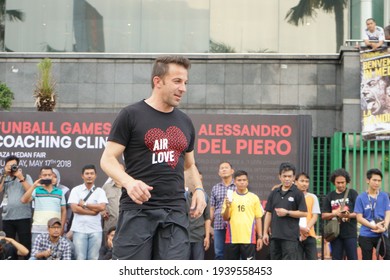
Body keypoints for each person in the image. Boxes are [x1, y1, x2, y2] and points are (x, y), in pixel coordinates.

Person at [100, 55, 206, 260]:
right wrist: (128, 183)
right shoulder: (130, 115)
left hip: (175, 212)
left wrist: (199, 190)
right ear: (158, 81)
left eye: (185, 82)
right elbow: (108, 159)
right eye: (177, 81)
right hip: (137, 211)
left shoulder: (185, 121)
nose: (183, 88)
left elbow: (188, 166)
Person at [263, 162, 307, 260]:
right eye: (284, 176)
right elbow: (269, 213)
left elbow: (304, 213)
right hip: (275, 236)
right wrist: (265, 232)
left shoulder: (298, 193)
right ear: (280, 177)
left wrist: (287, 212)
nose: (287, 179)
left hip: (290, 238)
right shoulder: (274, 192)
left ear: (293, 177)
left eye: (289, 176)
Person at [68, 164, 108, 260]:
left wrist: (85, 205)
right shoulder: (76, 190)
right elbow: (74, 208)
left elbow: (102, 207)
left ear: (95, 175)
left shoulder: (100, 191)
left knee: (93, 258)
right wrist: (94, 212)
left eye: (91, 173)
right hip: (79, 229)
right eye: (87, 174)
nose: (89, 176)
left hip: (96, 230)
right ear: (82, 176)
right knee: (80, 258)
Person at [221, 170, 263, 260]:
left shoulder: (254, 197)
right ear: (235, 182)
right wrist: (228, 207)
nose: (242, 182)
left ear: (247, 182)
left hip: (249, 239)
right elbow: (225, 218)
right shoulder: (229, 197)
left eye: (244, 180)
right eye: (239, 180)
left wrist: (260, 237)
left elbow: (258, 218)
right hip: (232, 239)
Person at [20, 166, 67, 243]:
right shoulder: (36, 190)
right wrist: (34, 186)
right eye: (45, 175)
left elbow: (64, 211)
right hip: (38, 229)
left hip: (54, 229)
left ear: (52, 176)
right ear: (40, 177)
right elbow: (23, 200)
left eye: (49, 175)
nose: (47, 177)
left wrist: (61, 228)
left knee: (54, 254)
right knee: (37, 254)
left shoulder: (60, 192)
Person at [0, 155, 33, 258]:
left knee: (25, 245)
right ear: (5, 166)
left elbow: (31, 191)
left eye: (13, 165)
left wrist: (21, 178)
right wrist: (4, 175)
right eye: (9, 165)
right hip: (8, 217)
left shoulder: (26, 176)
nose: (11, 168)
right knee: (9, 247)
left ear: (18, 166)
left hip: (23, 217)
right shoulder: (3, 178)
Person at [322, 168, 358, 260]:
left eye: (343, 182)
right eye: (338, 182)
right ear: (334, 182)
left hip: (350, 233)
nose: (341, 185)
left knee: (353, 258)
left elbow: (358, 213)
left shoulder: (353, 193)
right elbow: (323, 215)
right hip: (335, 234)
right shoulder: (329, 196)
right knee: (336, 258)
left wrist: (347, 215)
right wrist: (335, 214)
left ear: (347, 182)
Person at [354, 168, 390, 260]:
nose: (377, 183)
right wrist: (373, 227)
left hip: (382, 233)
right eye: (374, 180)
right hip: (366, 235)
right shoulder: (360, 197)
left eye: (379, 181)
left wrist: (384, 227)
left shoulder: (384, 196)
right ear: (368, 180)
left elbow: (388, 213)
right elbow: (359, 218)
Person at [210, 161, 236, 260]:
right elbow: (212, 208)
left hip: (234, 225)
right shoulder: (215, 188)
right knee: (219, 253)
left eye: (226, 167)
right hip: (218, 224)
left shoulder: (237, 186)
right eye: (221, 168)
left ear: (232, 171)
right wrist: (209, 226)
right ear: (219, 173)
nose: (224, 169)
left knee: (234, 253)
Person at [186, 172, 211, 260]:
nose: (197, 183)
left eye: (200, 180)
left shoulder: (205, 197)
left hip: (198, 237)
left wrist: (207, 236)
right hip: (184, 238)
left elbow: (207, 218)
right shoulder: (183, 197)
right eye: (196, 180)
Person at [295, 172, 321, 260]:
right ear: (295, 182)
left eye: (307, 181)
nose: (304, 184)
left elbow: (315, 216)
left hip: (310, 234)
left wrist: (306, 229)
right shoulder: (292, 196)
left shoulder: (313, 197)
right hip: (295, 235)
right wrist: (300, 230)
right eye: (302, 181)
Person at [101, 165, 123, 238]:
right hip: (109, 226)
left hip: (125, 226)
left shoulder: (129, 187)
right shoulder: (106, 187)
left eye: (121, 171)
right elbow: (100, 204)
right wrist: (103, 212)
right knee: (107, 248)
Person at [52, 168, 72, 233]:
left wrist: (67, 220)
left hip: (60, 222)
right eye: (50, 176)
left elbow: (69, 207)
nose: (52, 179)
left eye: (55, 177)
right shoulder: (40, 190)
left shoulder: (65, 190)